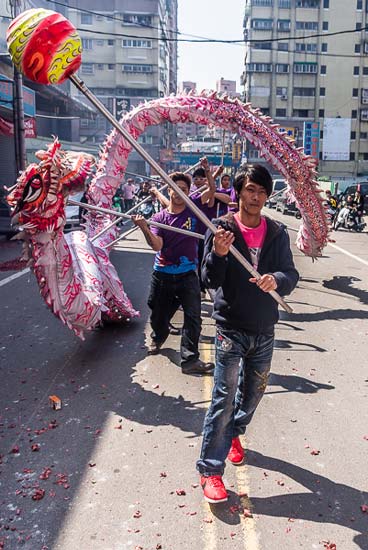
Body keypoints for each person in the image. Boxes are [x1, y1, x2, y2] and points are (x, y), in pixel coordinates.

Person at [196, 164, 299, 503]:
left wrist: (277, 281)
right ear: (239, 191)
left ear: (268, 196)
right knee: (223, 397)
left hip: (264, 328)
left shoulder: (277, 233)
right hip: (230, 327)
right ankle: (210, 469)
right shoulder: (222, 228)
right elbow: (208, 279)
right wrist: (220, 254)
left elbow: (290, 273)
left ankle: (233, 432)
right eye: (250, 189)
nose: (256, 197)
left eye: (262, 191)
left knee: (253, 393)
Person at [132, 172, 215, 376]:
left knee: (193, 317)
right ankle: (158, 336)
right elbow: (157, 245)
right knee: (158, 314)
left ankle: (190, 360)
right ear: (168, 190)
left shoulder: (194, 212)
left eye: (183, 190)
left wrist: (210, 173)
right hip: (162, 275)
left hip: (188, 275)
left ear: (188, 193)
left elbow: (211, 192)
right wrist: (144, 228)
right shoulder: (159, 219)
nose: (179, 193)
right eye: (174, 189)